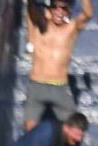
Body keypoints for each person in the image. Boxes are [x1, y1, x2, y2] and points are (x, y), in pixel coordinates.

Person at [25, 0, 93, 130]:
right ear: (50, 9)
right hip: (37, 85)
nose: (59, 11)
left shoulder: (71, 28)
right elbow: (31, 7)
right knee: (30, 133)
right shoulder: (38, 25)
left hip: (60, 86)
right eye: (56, 7)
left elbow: (88, 14)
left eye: (63, 8)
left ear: (69, 12)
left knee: (72, 128)